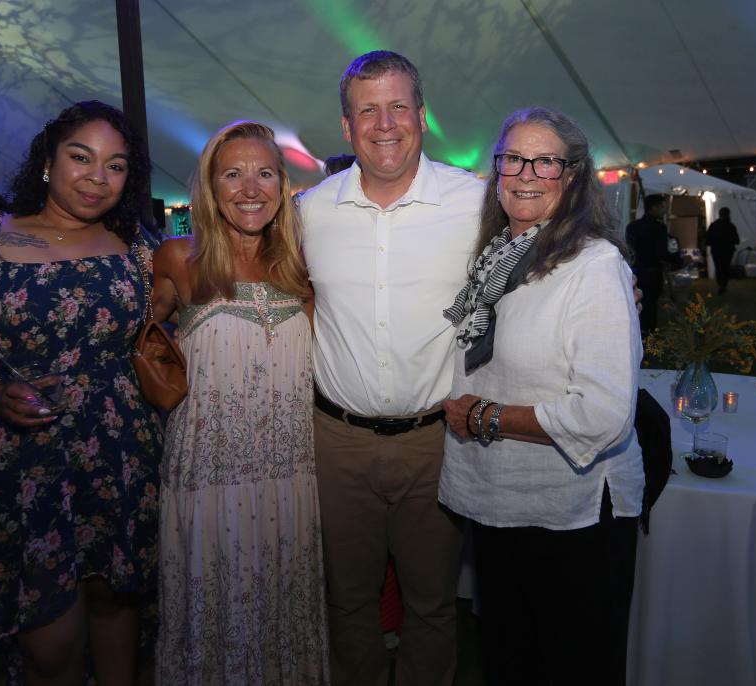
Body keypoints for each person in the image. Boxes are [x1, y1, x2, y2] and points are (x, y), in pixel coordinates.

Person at [0, 100, 164, 684]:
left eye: (116, 166)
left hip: (122, 452)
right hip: (26, 458)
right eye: (81, 157)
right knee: (50, 643)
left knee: (114, 602)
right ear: (48, 161)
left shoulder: (137, 248)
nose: (98, 177)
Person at [439, 107, 643, 686]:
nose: (525, 172)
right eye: (512, 158)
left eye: (546, 161)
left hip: (571, 514)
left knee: (570, 666)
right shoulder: (499, 257)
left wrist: (486, 416)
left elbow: (602, 415)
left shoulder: (594, 266)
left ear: (573, 176)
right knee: (512, 661)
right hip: (501, 502)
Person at [298, 50, 483, 686]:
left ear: (422, 117)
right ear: (346, 128)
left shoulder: (475, 203)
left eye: (399, 106)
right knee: (347, 600)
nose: (385, 123)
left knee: (432, 604)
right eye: (367, 110)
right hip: (337, 440)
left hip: (436, 440)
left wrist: (614, 282)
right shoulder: (309, 211)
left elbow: (548, 255)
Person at [152, 121, 328, 685]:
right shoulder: (178, 259)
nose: (250, 188)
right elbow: (125, 339)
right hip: (210, 479)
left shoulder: (303, 266)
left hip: (290, 475)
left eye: (264, 173)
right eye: (233, 173)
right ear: (209, 186)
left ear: (282, 186)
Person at [625, 194, 671, 334]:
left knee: (636, 306)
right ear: (654, 207)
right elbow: (662, 253)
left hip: (635, 273)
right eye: (663, 206)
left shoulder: (632, 226)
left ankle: (638, 335)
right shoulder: (659, 228)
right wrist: (679, 260)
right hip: (652, 273)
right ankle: (649, 340)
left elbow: (629, 250)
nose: (665, 210)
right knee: (650, 308)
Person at [706, 206, 740, 294]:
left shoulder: (714, 225)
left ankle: (720, 284)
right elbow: (736, 240)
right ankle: (723, 284)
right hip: (728, 250)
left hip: (716, 250)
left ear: (719, 214)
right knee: (725, 267)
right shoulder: (731, 226)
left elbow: (708, 239)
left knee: (719, 267)